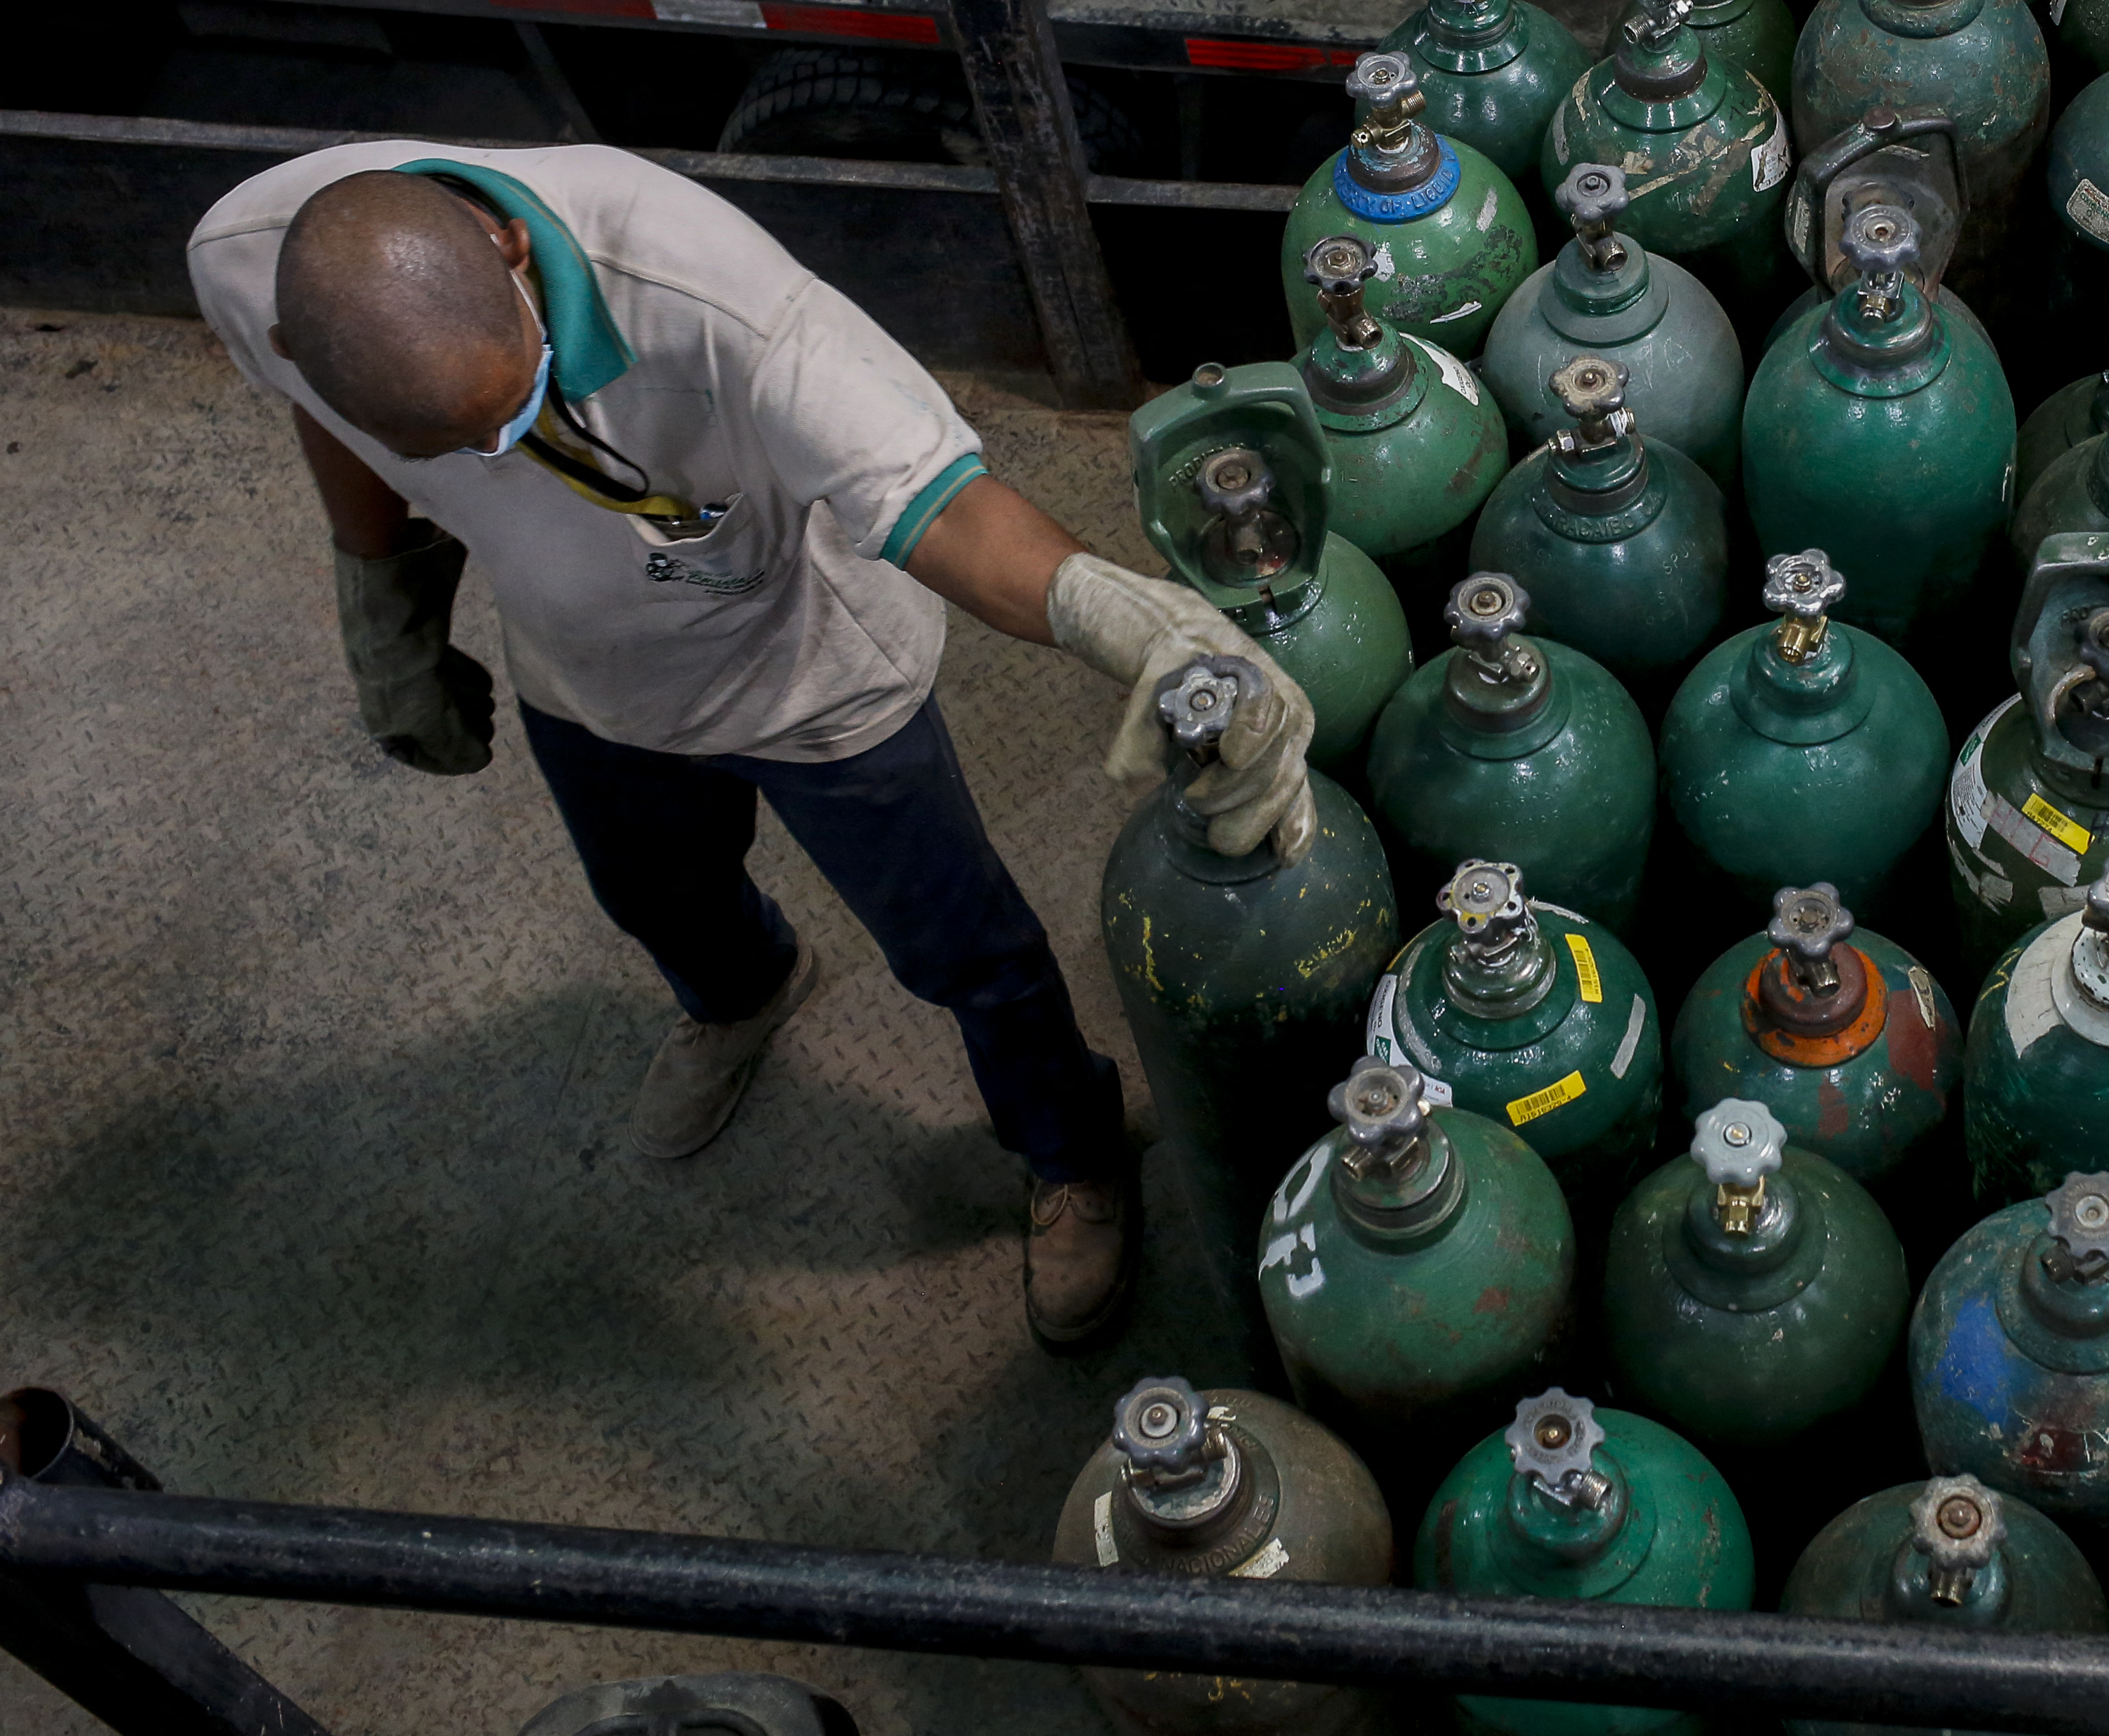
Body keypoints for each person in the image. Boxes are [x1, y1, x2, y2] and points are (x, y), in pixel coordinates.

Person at [186, 142, 1314, 1351]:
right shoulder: (251, 267)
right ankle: (746, 992)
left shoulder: (715, 301)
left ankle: (1073, 1149)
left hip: (807, 676)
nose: (503, 456)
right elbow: (336, 426)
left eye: (516, 407)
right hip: (592, 679)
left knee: (962, 949)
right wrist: (384, 600)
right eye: (458, 445)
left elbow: (944, 508)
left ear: (512, 249)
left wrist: (1134, 624)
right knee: (652, 891)